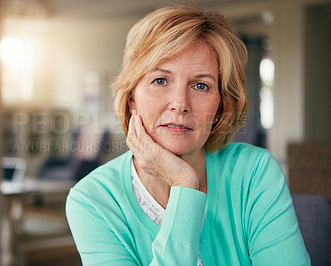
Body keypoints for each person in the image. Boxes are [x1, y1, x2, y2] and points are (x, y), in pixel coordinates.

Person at [66, 6, 310, 265]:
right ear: (131, 100)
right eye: (160, 80)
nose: (180, 103)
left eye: (201, 85)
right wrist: (184, 184)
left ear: (220, 107)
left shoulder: (254, 172)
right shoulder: (92, 200)